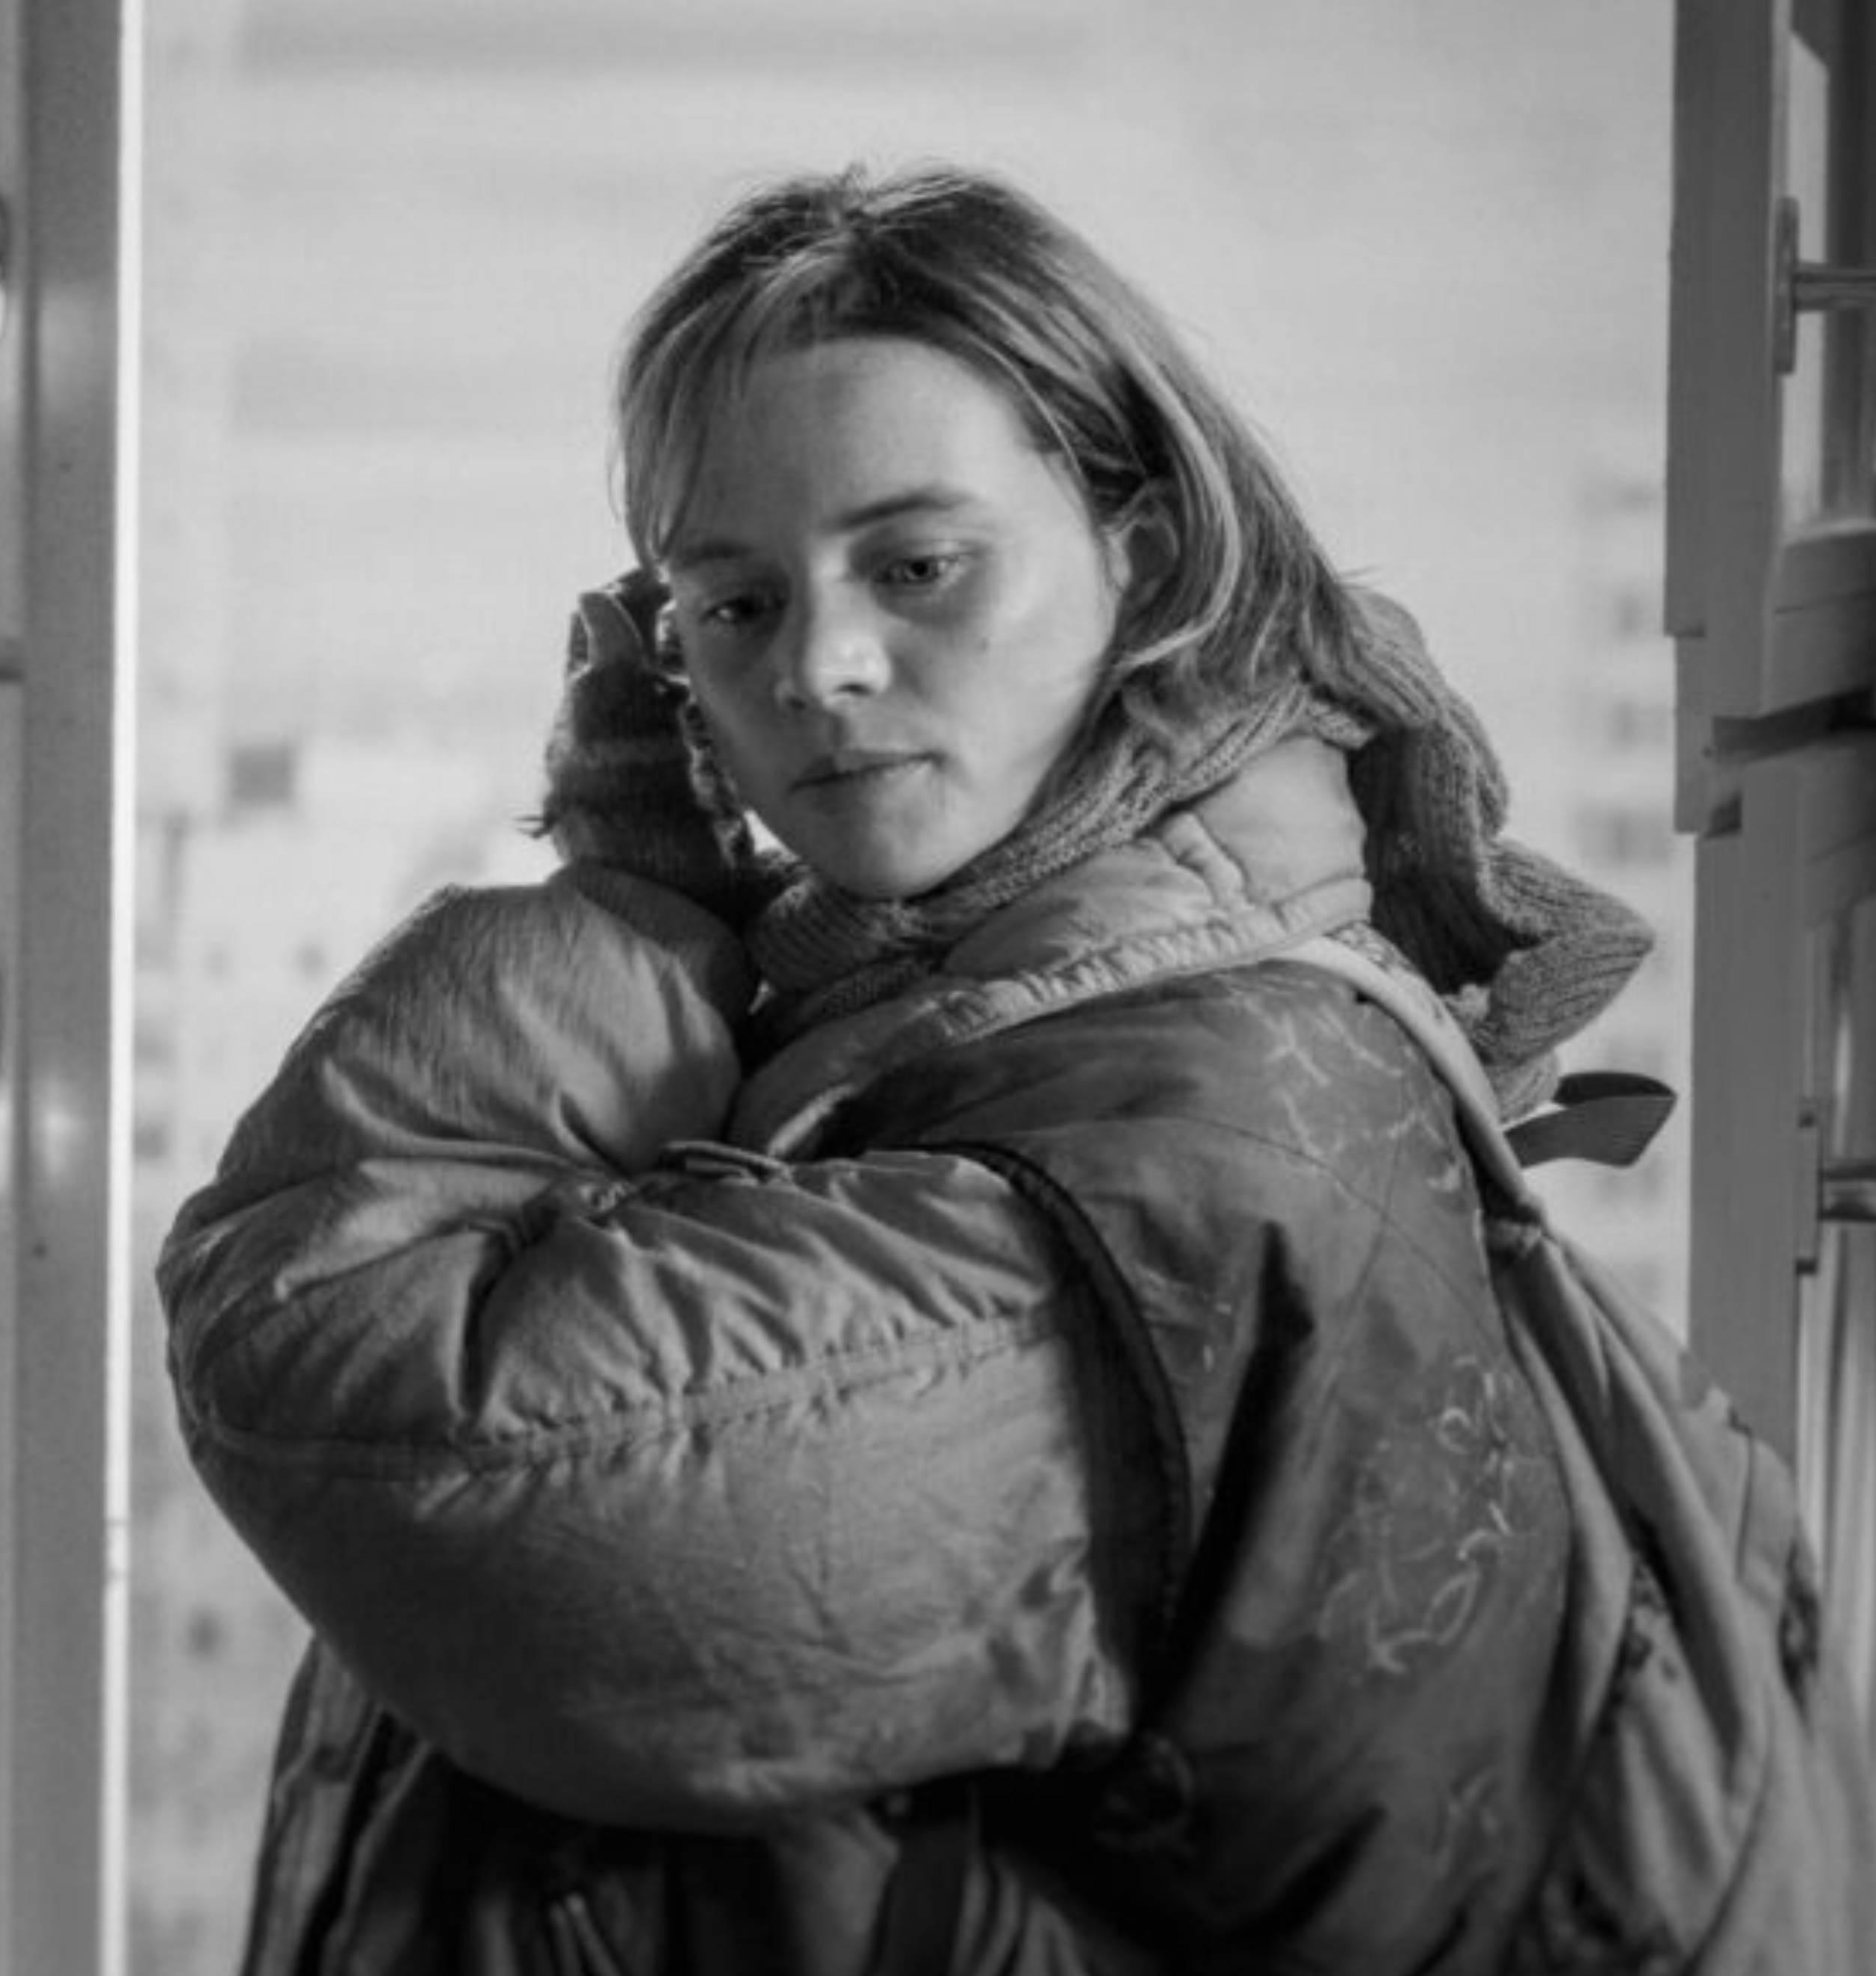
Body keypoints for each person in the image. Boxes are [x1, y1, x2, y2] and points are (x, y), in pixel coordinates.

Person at [161, 166, 1865, 1971]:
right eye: (732, 603)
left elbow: (374, 1408)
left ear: (1147, 555)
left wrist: (631, 899)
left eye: (918, 567)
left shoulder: (1163, 1138)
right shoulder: (960, 1002)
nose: (821, 665)